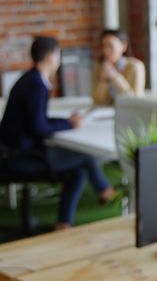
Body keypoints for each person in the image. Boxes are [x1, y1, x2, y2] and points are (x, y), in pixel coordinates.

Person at [0, 36, 118, 230]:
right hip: (20, 157)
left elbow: (38, 120)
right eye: (58, 55)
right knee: (86, 157)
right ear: (50, 57)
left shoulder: (31, 79)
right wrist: (69, 125)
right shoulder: (36, 85)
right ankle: (104, 192)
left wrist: (66, 122)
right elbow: (38, 128)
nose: (59, 60)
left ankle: (64, 223)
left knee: (79, 169)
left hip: (18, 150)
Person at [92, 29, 145, 105]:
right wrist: (103, 80)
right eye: (103, 46)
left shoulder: (135, 67)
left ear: (123, 46)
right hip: (106, 112)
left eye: (110, 46)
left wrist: (115, 77)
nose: (105, 51)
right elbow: (97, 101)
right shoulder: (100, 66)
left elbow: (135, 100)